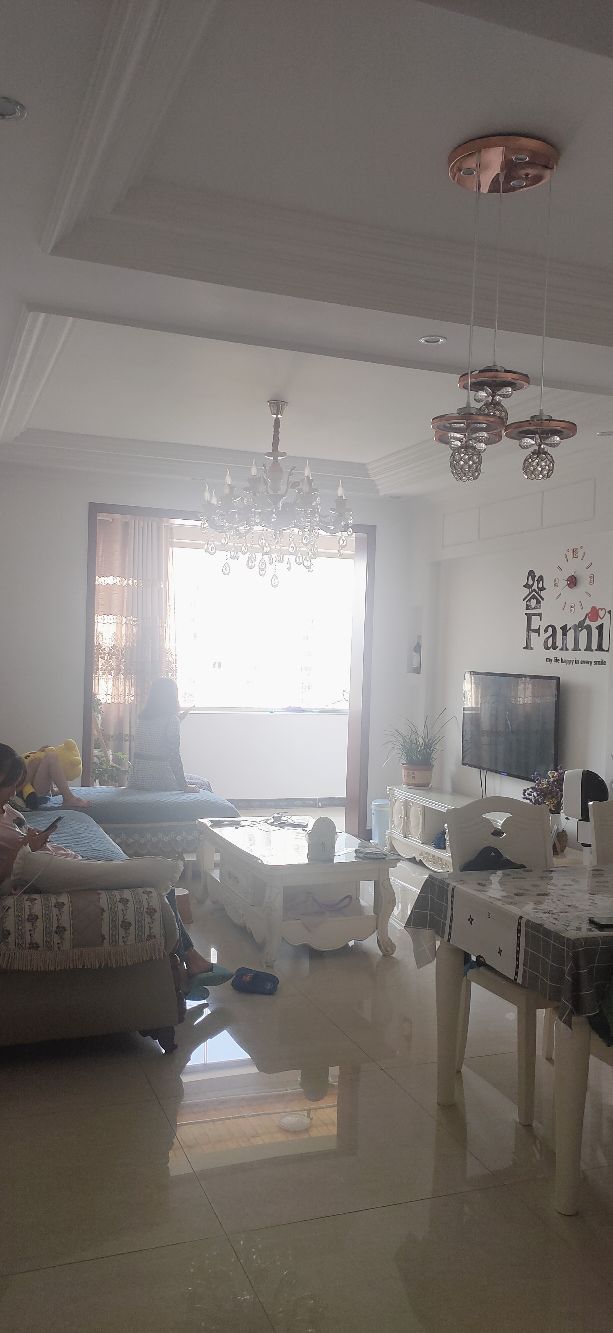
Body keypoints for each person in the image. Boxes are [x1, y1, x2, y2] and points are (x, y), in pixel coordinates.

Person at [0, 744, 231, 996]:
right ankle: (189, 964)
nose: (13, 791)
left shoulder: (5, 808)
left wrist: (32, 838)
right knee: (158, 881)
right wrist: (26, 847)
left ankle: (187, 965)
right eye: (9, 785)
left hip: (61, 859)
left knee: (164, 889)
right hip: (50, 870)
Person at [129, 678, 202, 793]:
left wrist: (179, 718)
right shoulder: (171, 720)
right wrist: (184, 786)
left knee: (197, 781)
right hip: (159, 778)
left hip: (136, 778)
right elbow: (174, 755)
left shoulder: (143, 718)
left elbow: (157, 731)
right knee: (203, 784)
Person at [20, 740, 89, 810]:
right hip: (29, 796)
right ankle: (69, 798)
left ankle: (53, 791)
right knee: (51, 757)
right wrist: (30, 772)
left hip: (35, 788)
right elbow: (15, 789)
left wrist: (38, 753)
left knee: (49, 755)